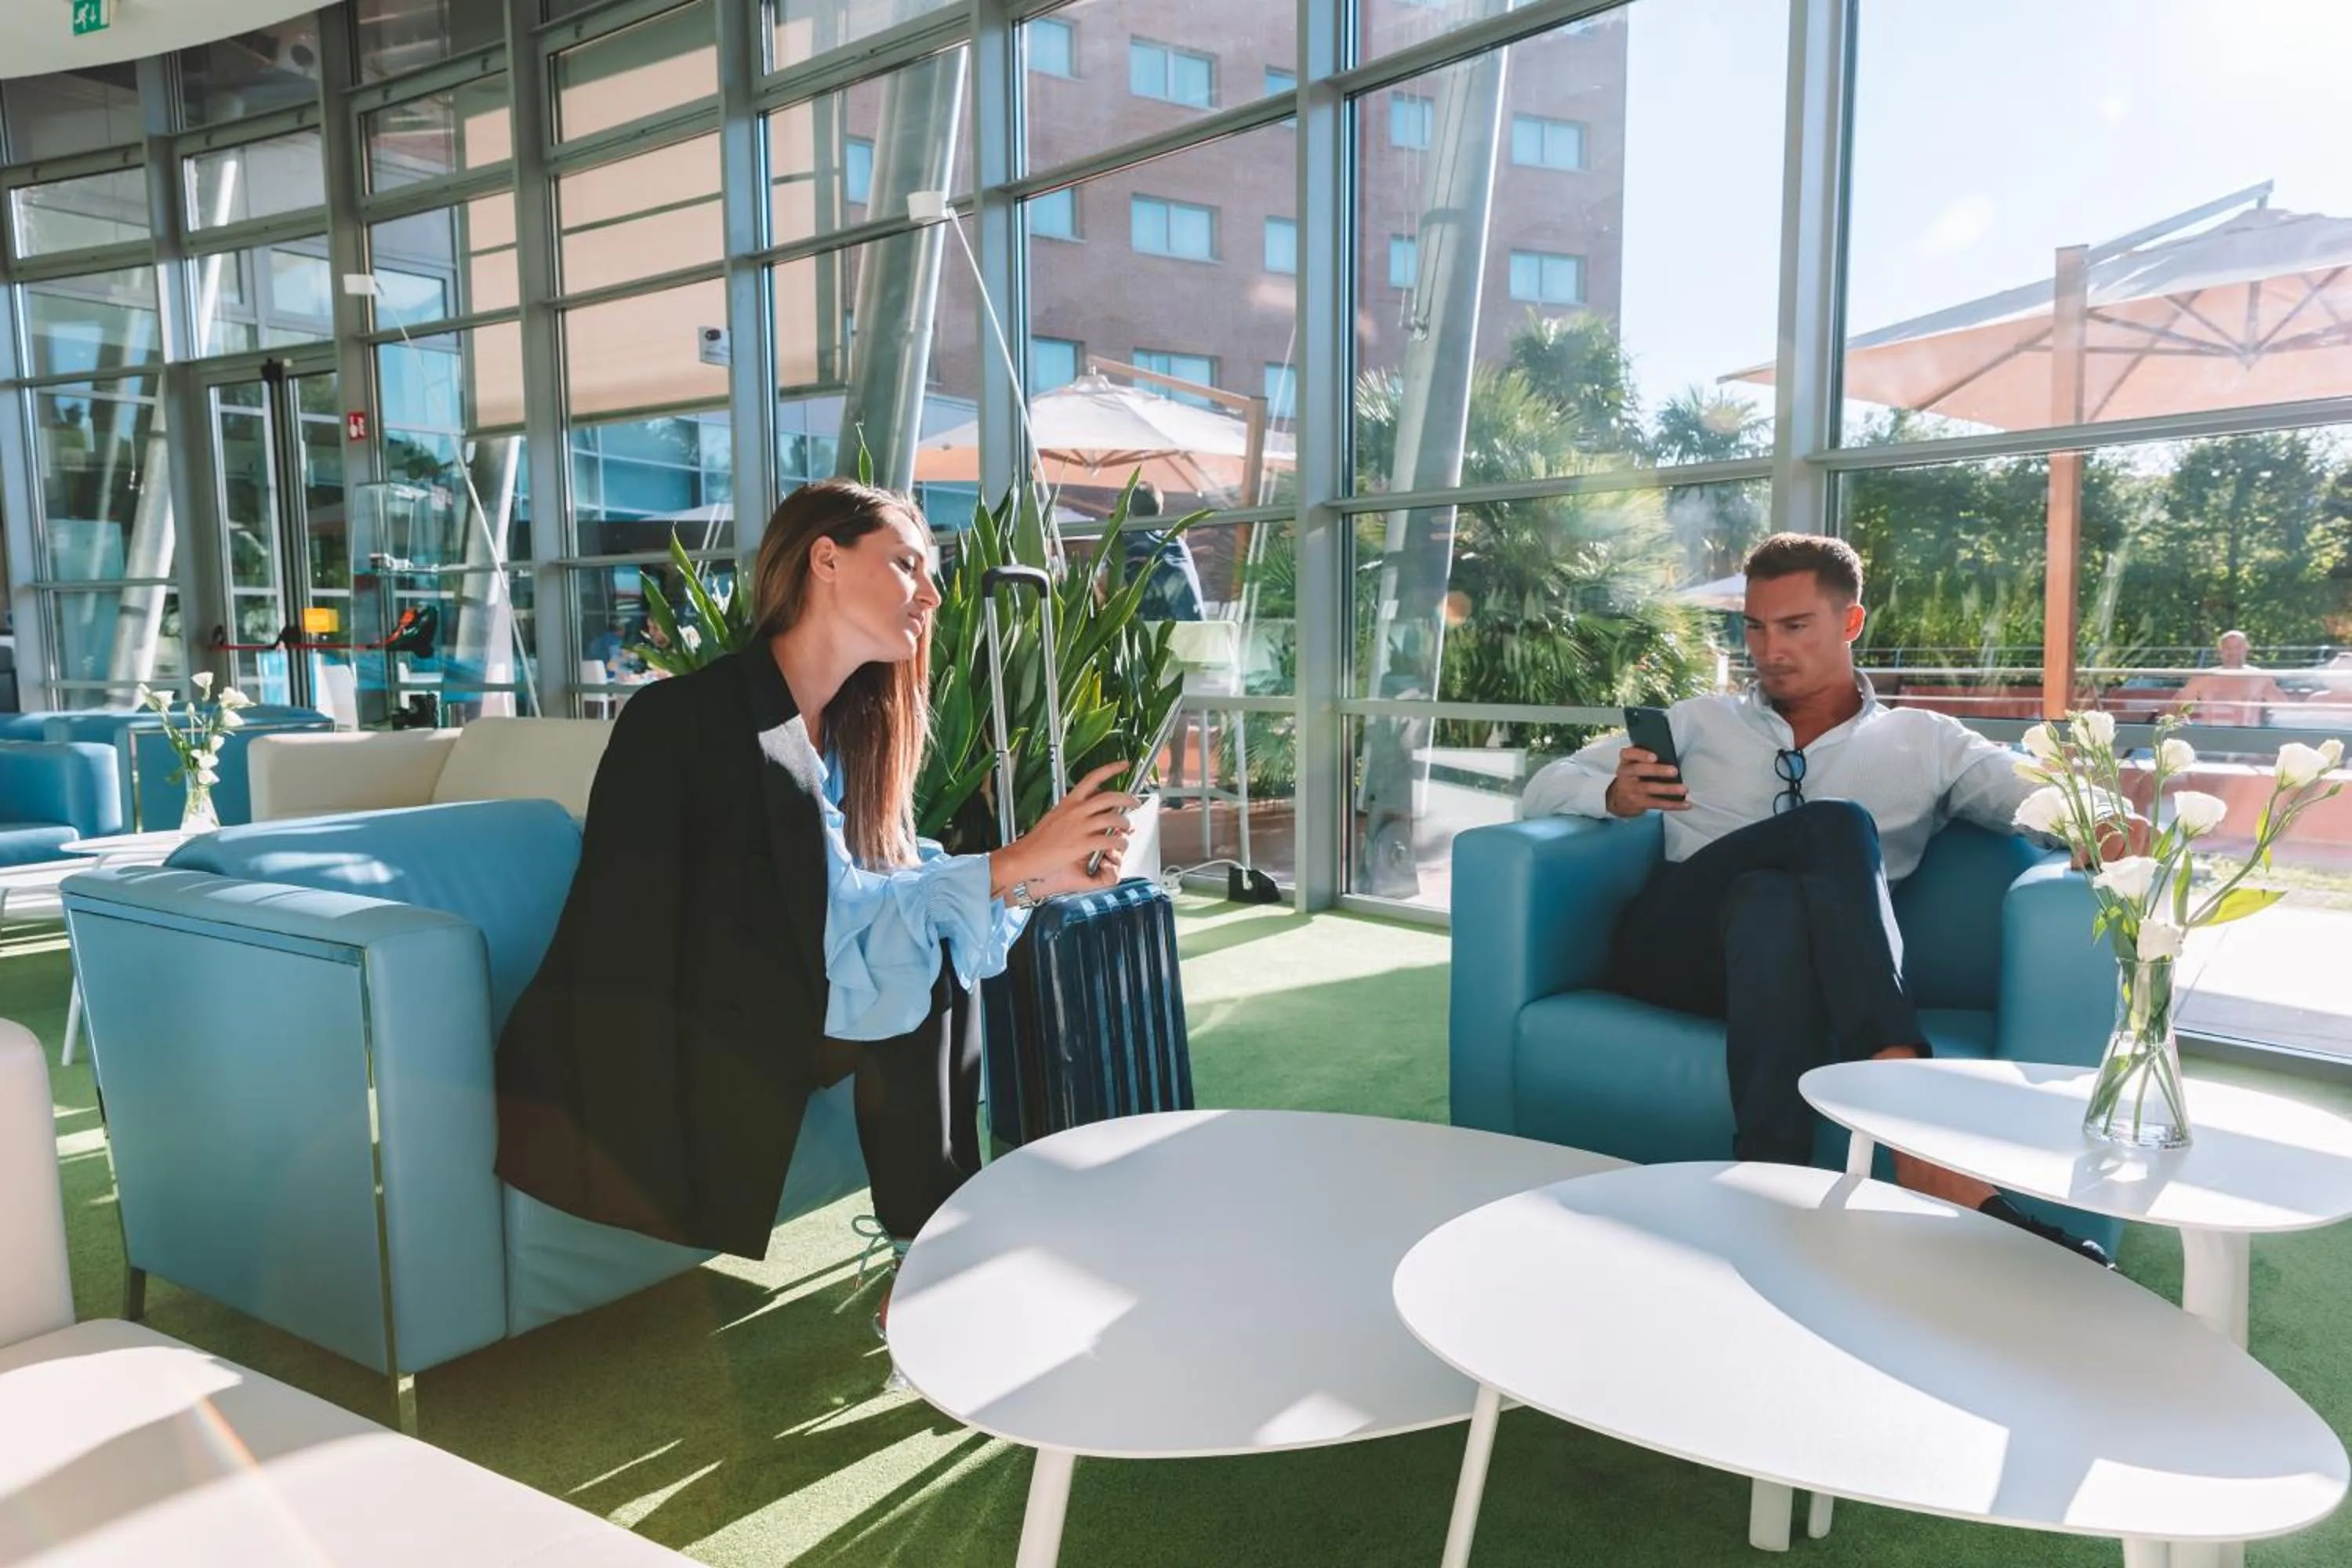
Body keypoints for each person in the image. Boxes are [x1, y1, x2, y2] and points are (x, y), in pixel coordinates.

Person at [495, 478, 1139, 1328]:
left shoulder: (858, 732)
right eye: (907, 562)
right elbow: (812, 923)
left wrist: (1034, 878)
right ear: (825, 559)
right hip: (655, 1034)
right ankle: (935, 1258)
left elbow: (883, 893)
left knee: (934, 962)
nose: (933, 591)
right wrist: (1013, 861)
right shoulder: (692, 718)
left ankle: (937, 1252)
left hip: (775, 997)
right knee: (919, 968)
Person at [1521, 533, 2138, 1265]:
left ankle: (1766, 1193)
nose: (1768, 649)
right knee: (1835, 824)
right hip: (1675, 952)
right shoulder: (1698, 721)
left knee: (1772, 906)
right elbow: (1542, 786)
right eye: (1754, 626)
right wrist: (1613, 795)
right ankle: (1911, 1118)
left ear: (1850, 623)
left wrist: (2099, 816)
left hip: (1790, 968)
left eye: (1794, 626)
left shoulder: (1928, 740)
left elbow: (2034, 798)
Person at [2174, 630, 2288, 727]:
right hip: (2212, 744)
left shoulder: (2259, 677)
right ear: (2220, 650)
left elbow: (2285, 709)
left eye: (2238, 647)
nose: (2233, 652)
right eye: (2228, 648)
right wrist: (2189, 730)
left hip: (2248, 744)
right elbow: (2176, 705)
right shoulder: (2205, 678)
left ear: (2246, 648)